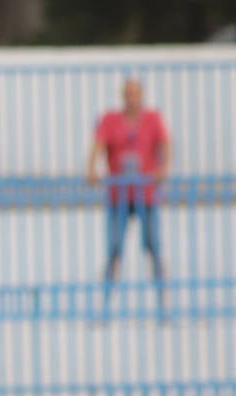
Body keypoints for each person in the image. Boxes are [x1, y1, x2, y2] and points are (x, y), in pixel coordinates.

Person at [87, 78, 170, 301]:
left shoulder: (152, 119)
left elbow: (165, 144)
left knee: (154, 248)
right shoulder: (110, 120)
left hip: (146, 194)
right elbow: (97, 145)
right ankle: (105, 301)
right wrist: (91, 169)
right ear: (122, 96)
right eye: (128, 93)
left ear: (142, 96)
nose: (132, 98)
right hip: (119, 195)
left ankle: (163, 300)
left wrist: (164, 169)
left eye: (135, 93)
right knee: (114, 249)